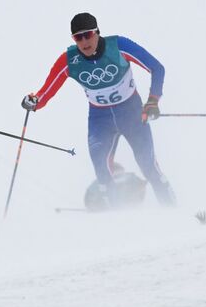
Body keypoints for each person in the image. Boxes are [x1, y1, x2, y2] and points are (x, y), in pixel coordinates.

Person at [21, 12, 176, 208]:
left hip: (132, 113)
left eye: (88, 34)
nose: (84, 41)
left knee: (148, 165)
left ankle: (174, 212)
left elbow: (157, 68)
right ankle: (116, 217)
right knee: (102, 169)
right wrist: (34, 101)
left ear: (97, 33)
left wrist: (153, 100)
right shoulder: (69, 60)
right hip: (100, 120)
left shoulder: (119, 46)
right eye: (78, 37)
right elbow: (46, 92)